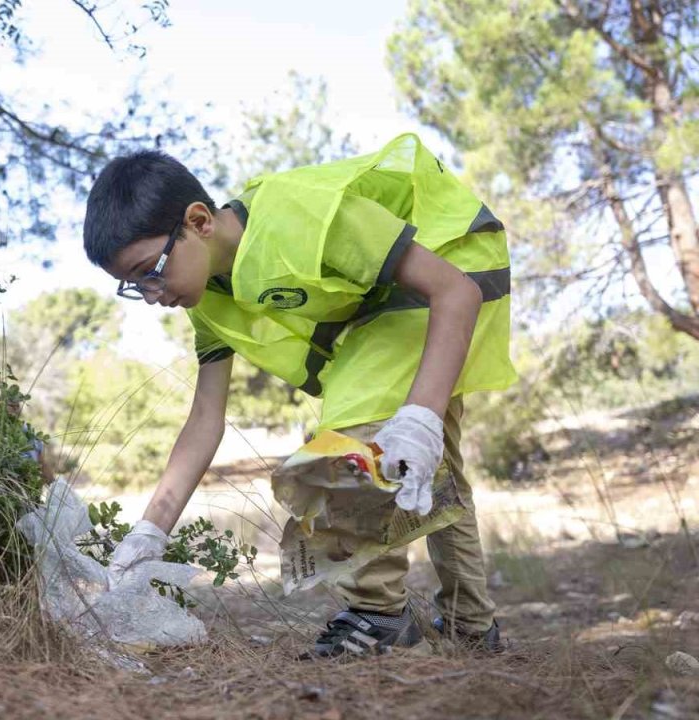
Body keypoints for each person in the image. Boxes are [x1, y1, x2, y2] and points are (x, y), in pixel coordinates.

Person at [80, 134, 517, 657]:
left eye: (149, 272)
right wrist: (150, 531)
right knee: (428, 466)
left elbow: (455, 290)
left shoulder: (295, 218)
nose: (151, 295)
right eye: (134, 286)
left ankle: (379, 618)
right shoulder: (209, 305)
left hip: (454, 258)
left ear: (198, 222)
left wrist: (420, 414)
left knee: (354, 440)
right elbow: (204, 419)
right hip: (386, 305)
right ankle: (472, 628)